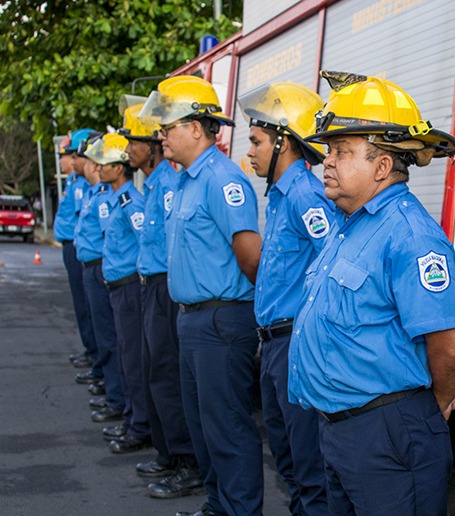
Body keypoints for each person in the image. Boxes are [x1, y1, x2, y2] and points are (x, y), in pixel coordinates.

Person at [289, 71, 455, 515]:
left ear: (382, 166)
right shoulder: (351, 225)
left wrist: (429, 411)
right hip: (343, 431)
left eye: (341, 151)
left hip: (386, 433)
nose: (327, 162)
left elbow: (452, 345)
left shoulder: (410, 234)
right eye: (329, 151)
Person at [138, 75, 263, 516]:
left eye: (167, 127)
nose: (161, 135)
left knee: (226, 426)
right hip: (192, 318)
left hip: (220, 320)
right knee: (202, 426)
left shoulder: (222, 179)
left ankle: (240, 510)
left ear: (195, 128)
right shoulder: (186, 181)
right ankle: (218, 506)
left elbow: (250, 256)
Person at [238, 82, 332, 515]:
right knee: (289, 458)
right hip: (275, 345)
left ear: (284, 142)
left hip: (295, 343)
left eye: (257, 141)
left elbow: (331, 266)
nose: (250, 151)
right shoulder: (279, 195)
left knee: (309, 468)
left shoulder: (305, 195)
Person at [119, 95, 202, 498]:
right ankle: (168, 452)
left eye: (135, 141)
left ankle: (186, 461)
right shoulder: (153, 184)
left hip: (167, 287)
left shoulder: (169, 182)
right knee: (155, 372)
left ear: (152, 147)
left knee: (168, 374)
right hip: (151, 286)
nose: (128, 150)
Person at [85, 132, 151, 455]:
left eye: (106, 163)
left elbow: (145, 243)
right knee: (126, 358)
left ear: (121, 167)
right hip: (117, 288)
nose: (99, 168)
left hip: (129, 288)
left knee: (134, 361)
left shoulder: (130, 202)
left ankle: (140, 426)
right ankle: (130, 417)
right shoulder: (114, 199)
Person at [73, 134, 127, 424]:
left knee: (109, 337)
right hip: (94, 268)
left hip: (101, 269)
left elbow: (111, 239)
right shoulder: (97, 193)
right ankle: (113, 391)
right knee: (104, 333)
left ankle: (117, 398)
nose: (86, 164)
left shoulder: (107, 198)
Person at [54, 130, 97, 370]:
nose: (65, 160)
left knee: (87, 303)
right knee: (82, 302)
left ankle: (94, 352)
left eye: (68, 155)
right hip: (72, 245)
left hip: (77, 246)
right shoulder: (73, 181)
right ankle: (91, 350)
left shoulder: (82, 184)